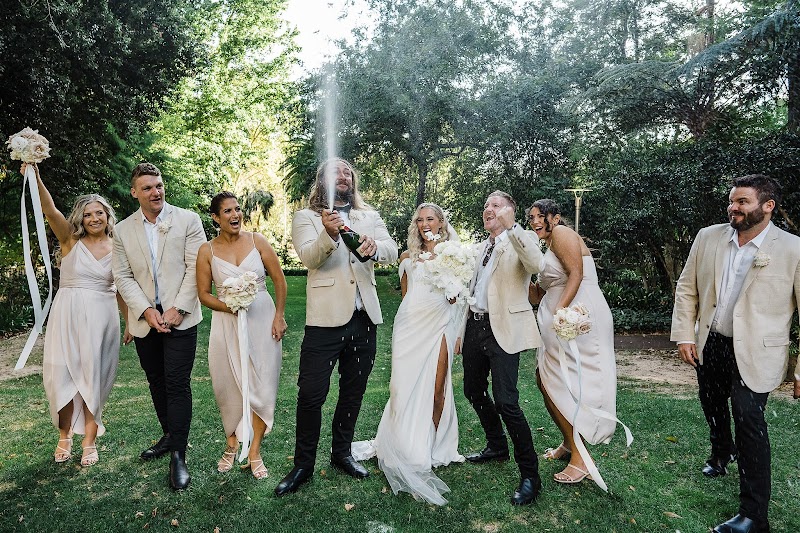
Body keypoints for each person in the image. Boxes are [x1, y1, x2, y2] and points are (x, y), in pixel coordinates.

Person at [671, 174, 800, 533]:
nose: (733, 207)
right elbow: (687, 288)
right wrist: (685, 334)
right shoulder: (708, 237)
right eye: (732, 201)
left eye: (742, 201)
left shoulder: (793, 249)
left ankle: (754, 515)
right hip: (711, 341)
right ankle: (720, 452)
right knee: (711, 402)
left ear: (767, 206)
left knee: (748, 421)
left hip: (758, 352)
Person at [275, 158, 398, 496]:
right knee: (310, 394)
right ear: (321, 181)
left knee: (353, 391)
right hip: (324, 321)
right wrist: (328, 233)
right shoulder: (306, 217)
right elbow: (308, 258)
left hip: (364, 319)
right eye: (335, 171)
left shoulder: (368, 216)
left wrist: (375, 247)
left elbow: (391, 249)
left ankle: (342, 453)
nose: (343, 175)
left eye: (347, 172)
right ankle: (303, 465)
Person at [352, 203, 465, 505]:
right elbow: (406, 296)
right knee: (402, 388)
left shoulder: (453, 254)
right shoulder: (406, 257)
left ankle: (433, 446)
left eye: (431, 219)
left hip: (440, 325)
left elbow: (457, 299)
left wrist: (456, 318)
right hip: (409, 327)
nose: (425, 223)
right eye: (420, 219)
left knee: (437, 389)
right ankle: (403, 444)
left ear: (441, 223)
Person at [112, 162, 206, 490]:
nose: (156, 192)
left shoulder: (188, 220)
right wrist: (145, 310)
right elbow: (122, 276)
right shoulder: (122, 230)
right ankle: (169, 435)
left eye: (159, 185)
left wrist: (179, 308)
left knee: (177, 383)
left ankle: (178, 455)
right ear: (134, 192)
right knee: (156, 381)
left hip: (182, 317)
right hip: (146, 321)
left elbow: (197, 267)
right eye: (148, 188)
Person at [28, 163, 129, 467]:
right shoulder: (69, 240)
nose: (94, 218)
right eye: (88, 214)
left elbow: (122, 288)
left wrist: (129, 322)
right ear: (80, 219)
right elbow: (49, 210)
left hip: (102, 317)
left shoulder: (119, 247)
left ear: (108, 215)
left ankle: (89, 441)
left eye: (99, 212)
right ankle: (64, 435)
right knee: (59, 375)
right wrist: (35, 175)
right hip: (67, 315)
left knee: (92, 377)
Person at [458, 190, 544, 506]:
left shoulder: (521, 238)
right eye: (486, 205)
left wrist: (513, 228)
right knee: (472, 390)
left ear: (510, 211)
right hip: (475, 326)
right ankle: (496, 445)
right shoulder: (481, 246)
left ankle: (530, 475)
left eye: (495, 205)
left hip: (503, 329)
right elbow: (475, 289)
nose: (488, 209)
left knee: (507, 401)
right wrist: (461, 328)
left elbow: (536, 264)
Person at [196, 192, 288, 480]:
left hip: (262, 321)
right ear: (215, 217)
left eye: (237, 209)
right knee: (228, 386)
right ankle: (231, 444)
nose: (235, 215)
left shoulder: (258, 241)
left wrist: (279, 316)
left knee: (262, 386)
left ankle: (255, 450)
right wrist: (231, 306)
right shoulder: (206, 251)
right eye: (227, 211)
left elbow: (279, 280)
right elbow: (204, 294)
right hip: (226, 325)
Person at [527, 199, 618, 486]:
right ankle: (569, 442)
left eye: (540, 216)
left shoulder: (562, 233)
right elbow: (536, 295)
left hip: (577, 315)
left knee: (567, 382)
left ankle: (581, 458)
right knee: (546, 380)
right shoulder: (547, 247)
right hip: (559, 319)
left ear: (555, 217)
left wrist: (560, 312)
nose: (535, 221)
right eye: (531, 218)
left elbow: (576, 274)